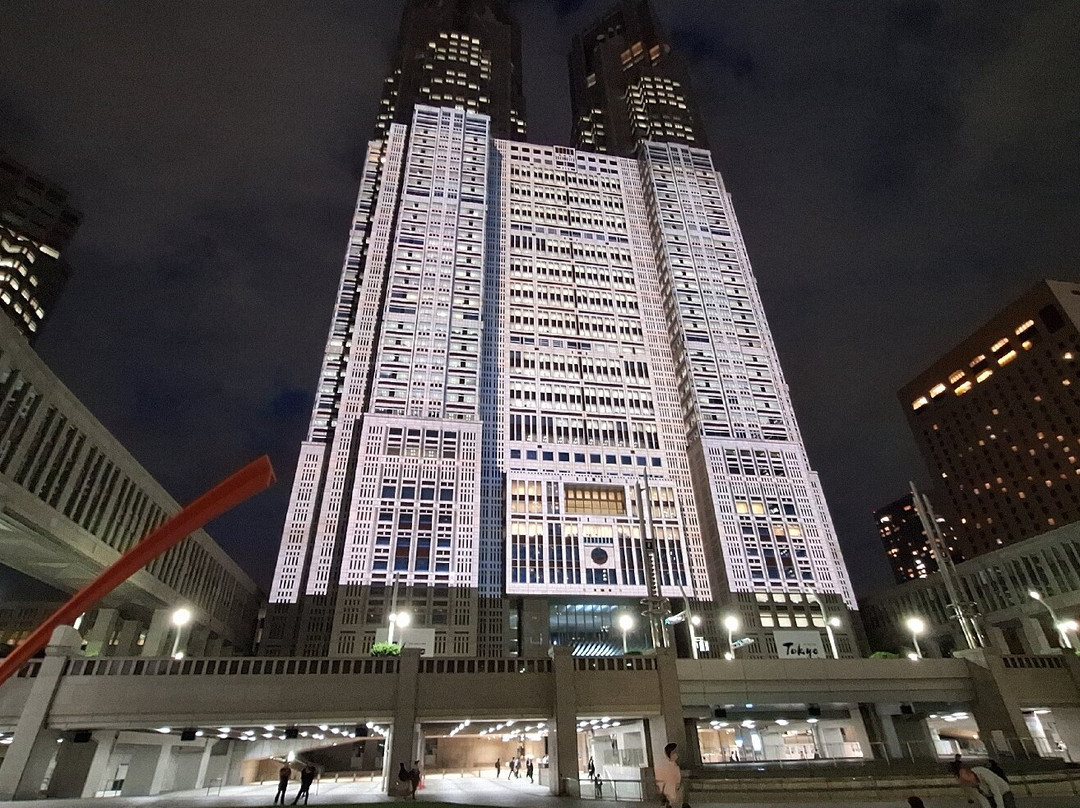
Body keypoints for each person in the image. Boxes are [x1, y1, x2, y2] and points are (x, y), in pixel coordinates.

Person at [655, 743, 682, 808]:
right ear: (671, 753)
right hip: (671, 795)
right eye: (675, 751)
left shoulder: (674, 766)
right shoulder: (667, 767)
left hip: (673, 794)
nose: (677, 753)